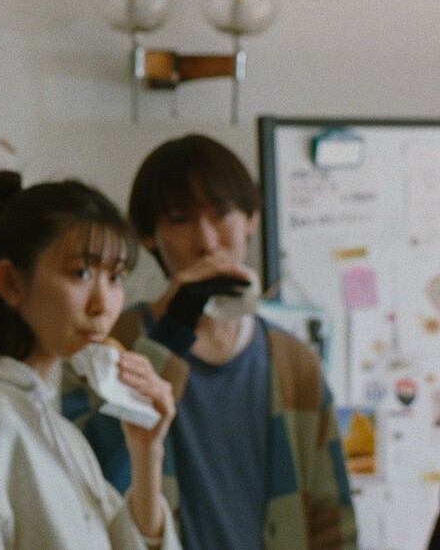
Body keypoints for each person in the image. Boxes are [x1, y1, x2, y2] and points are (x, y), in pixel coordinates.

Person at [63, 134, 357, 549]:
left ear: (251, 219)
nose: (206, 240)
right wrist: (172, 330)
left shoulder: (294, 362)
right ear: (148, 234)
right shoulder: (108, 342)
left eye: (222, 214)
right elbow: (93, 476)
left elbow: (332, 518)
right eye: (180, 219)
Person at [0, 171, 180, 550]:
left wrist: (147, 452)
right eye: (82, 272)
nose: (103, 304)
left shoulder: (61, 429)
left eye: (116, 277)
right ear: (11, 282)